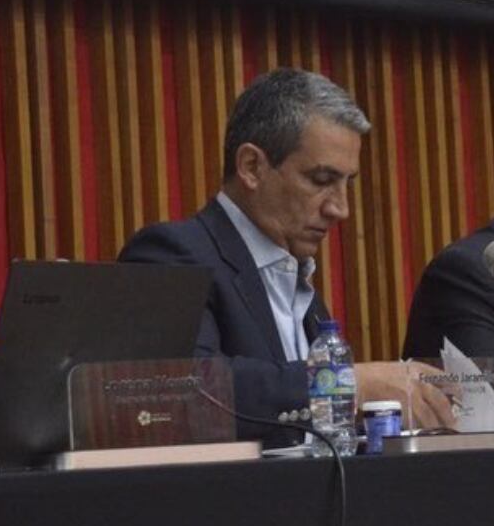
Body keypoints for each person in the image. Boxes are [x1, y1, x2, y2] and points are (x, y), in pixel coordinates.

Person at [119, 68, 453, 446]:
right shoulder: (172, 253)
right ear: (251, 167)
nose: (340, 209)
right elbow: (185, 391)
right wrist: (349, 384)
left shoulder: (298, 280)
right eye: (321, 180)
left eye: (348, 184)